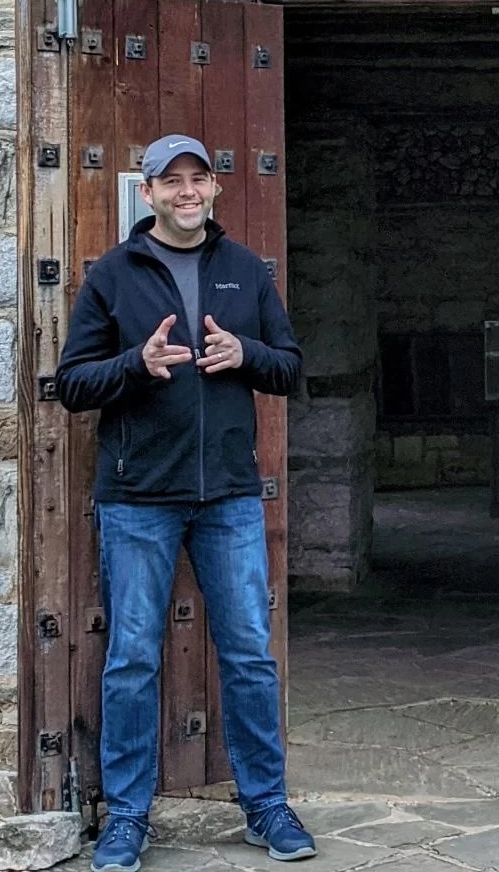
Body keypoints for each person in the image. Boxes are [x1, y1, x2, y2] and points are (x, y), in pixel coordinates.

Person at [57, 133, 310, 872]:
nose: (188, 192)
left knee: (249, 657)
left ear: (216, 191)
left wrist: (247, 355)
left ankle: (265, 806)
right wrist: (136, 366)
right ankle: (128, 818)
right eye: (173, 182)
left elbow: (289, 367)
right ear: (148, 193)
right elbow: (73, 383)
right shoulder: (113, 274)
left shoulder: (243, 271)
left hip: (228, 493)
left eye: (199, 179)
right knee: (132, 657)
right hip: (138, 497)